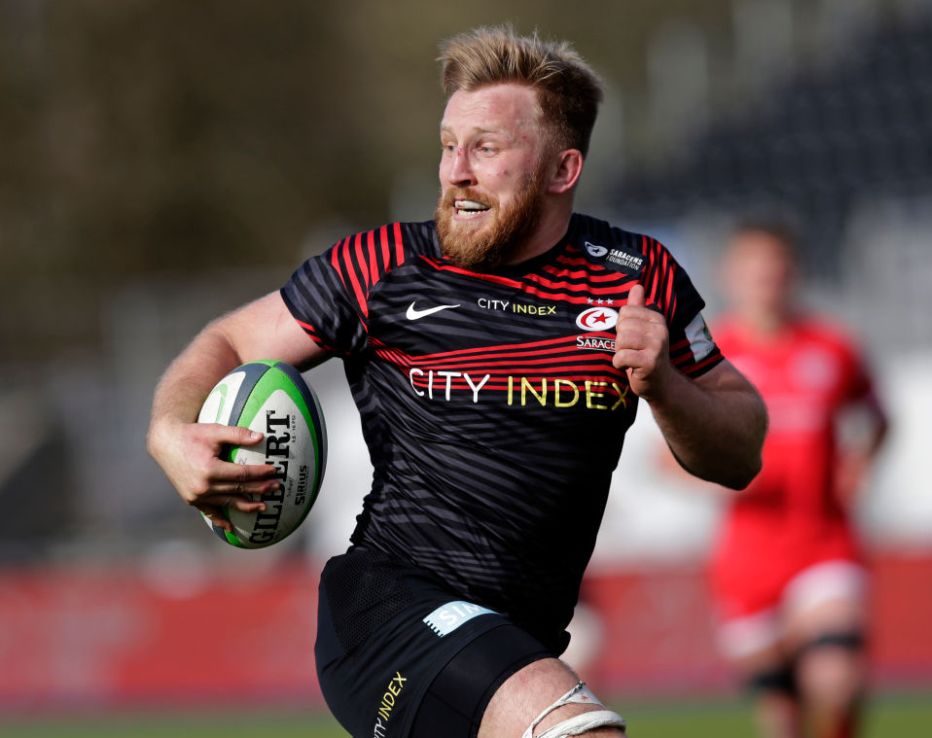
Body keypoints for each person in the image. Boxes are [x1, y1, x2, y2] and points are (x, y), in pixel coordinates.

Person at [147, 26, 766, 738]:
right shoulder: (380, 266)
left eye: (486, 148)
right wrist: (170, 431)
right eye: (448, 146)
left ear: (562, 169)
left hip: (523, 632)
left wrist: (665, 385)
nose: (456, 172)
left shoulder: (636, 276)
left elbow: (741, 449)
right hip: (389, 610)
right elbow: (228, 341)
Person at [690, 220, 889, 738]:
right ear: (731, 275)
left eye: (776, 267)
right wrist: (716, 477)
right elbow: (668, 454)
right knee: (783, 715)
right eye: (754, 268)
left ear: (793, 272)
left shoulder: (832, 347)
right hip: (748, 558)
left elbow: (877, 416)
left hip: (824, 539)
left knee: (836, 677)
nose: (766, 278)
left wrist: (861, 461)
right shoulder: (711, 355)